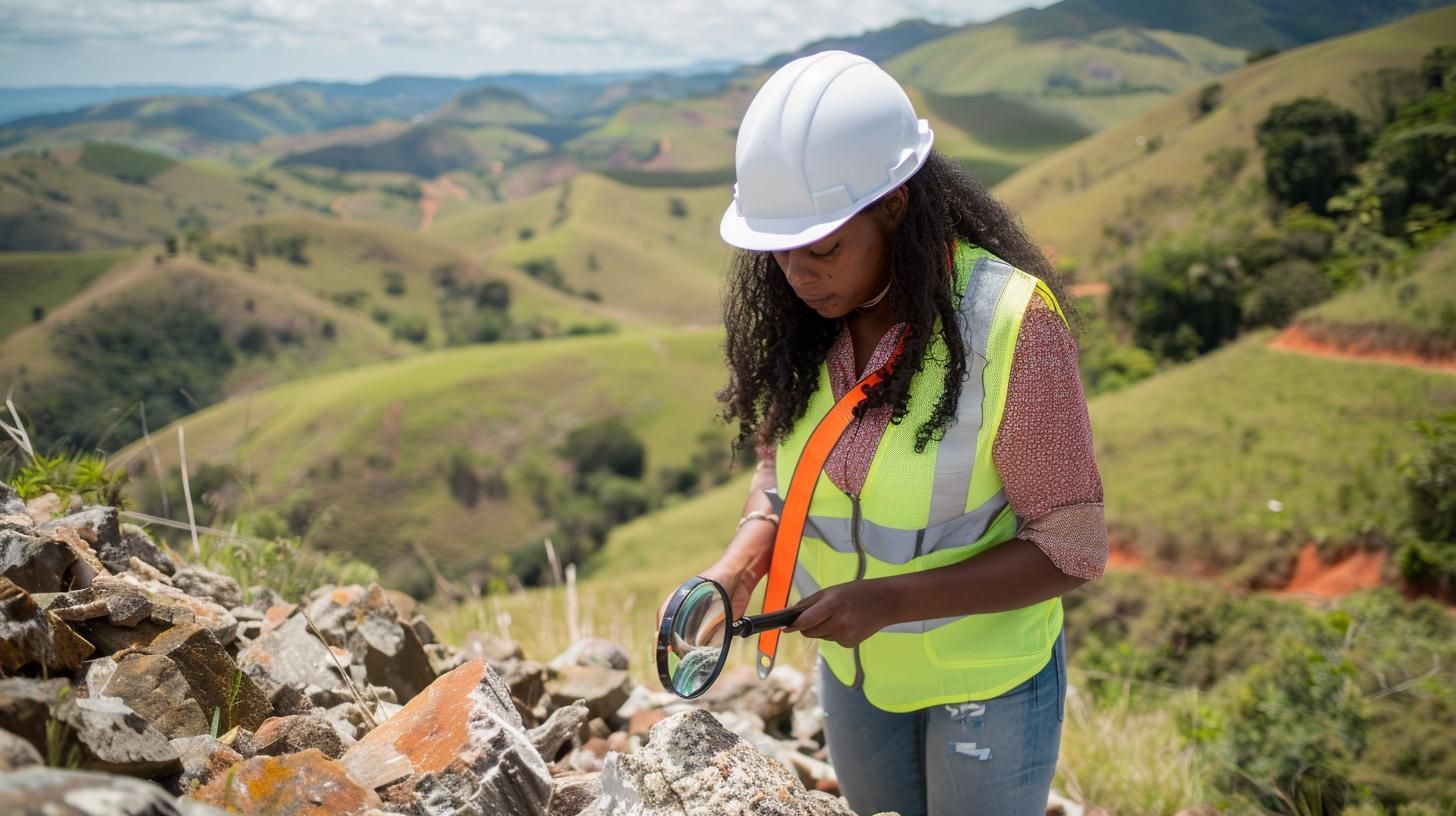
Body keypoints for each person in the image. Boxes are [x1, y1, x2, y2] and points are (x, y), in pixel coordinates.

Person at [699, 51, 1108, 816]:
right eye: (779, 249)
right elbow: (782, 471)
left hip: (985, 683)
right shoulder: (802, 328)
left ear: (895, 205)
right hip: (857, 677)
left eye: (823, 247)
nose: (797, 273)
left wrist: (888, 602)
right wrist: (738, 564)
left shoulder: (1011, 326)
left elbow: (1071, 548)